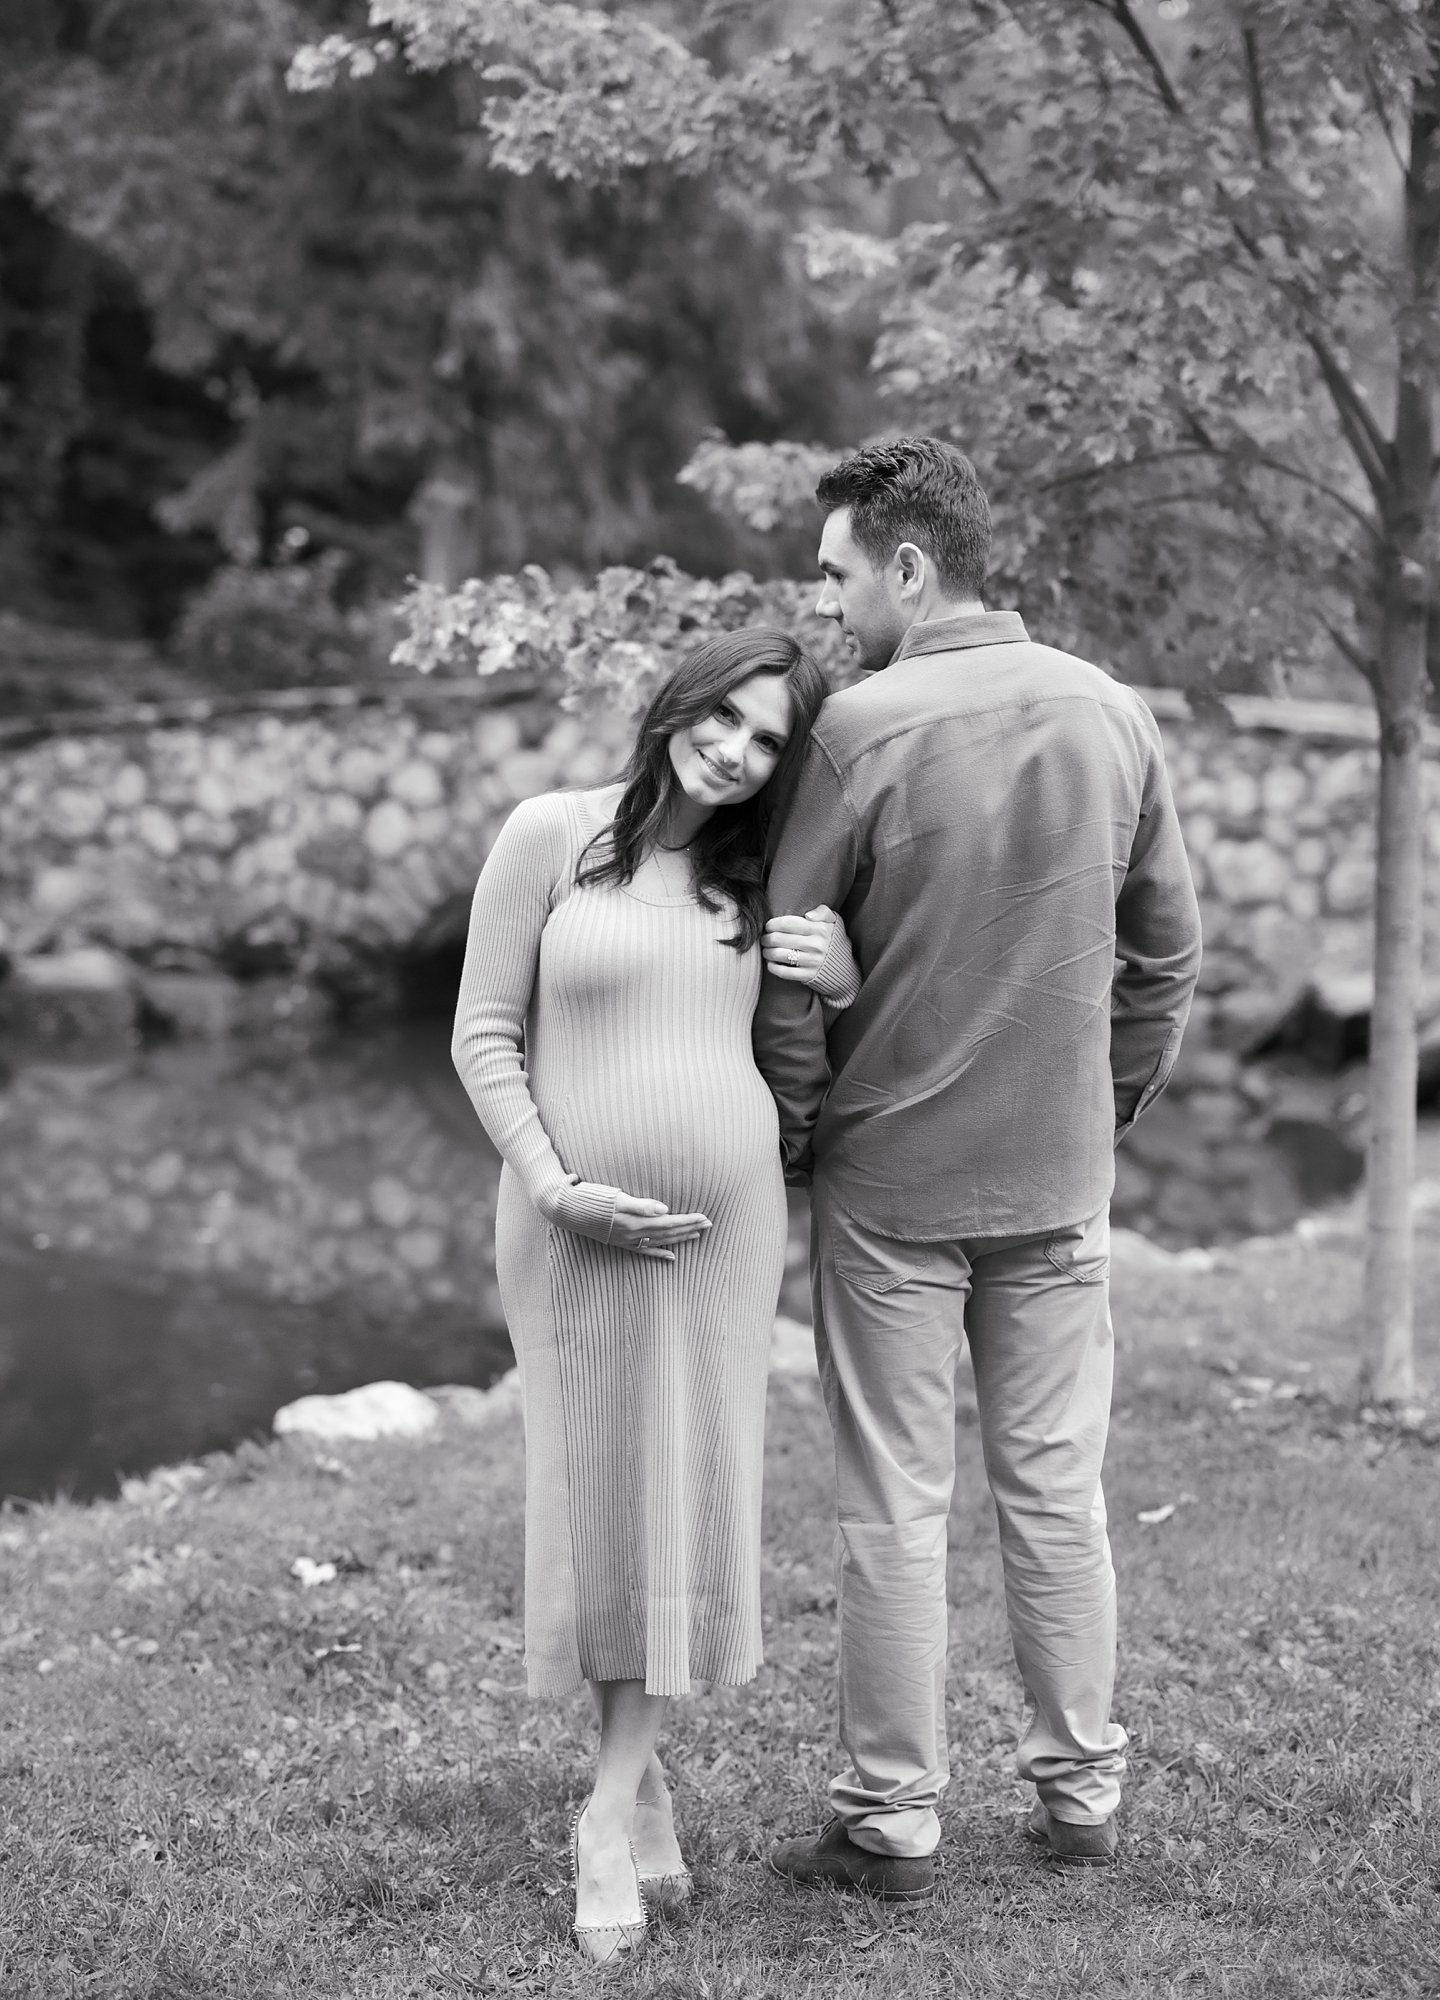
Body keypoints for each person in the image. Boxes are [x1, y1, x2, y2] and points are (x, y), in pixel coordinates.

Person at [752, 436, 1203, 1898]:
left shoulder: (855, 729)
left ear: (908, 565)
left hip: (891, 1186)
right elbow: (1169, 951)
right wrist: (1104, 1107)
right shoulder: (1111, 711)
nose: (829, 610)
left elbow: (788, 967)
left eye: (836, 579)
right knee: (1056, 1491)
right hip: (1057, 1186)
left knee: (894, 1500)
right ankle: (1082, 1795)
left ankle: (892, 1821)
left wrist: (804, 1129)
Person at [451, 629, 857, 1965]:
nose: (735, 753)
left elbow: (816, 1049)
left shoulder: (755, 878)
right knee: (599, 1502)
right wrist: (556, 1182)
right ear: (679, 704)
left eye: (764, 743)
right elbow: (485, 1035)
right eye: (722, 721)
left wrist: (842, 984)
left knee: (679, 1503)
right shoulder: (552, 836)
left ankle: (615, 1802)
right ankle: (628, 1796)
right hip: (568, 1228)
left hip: (722, 1233)